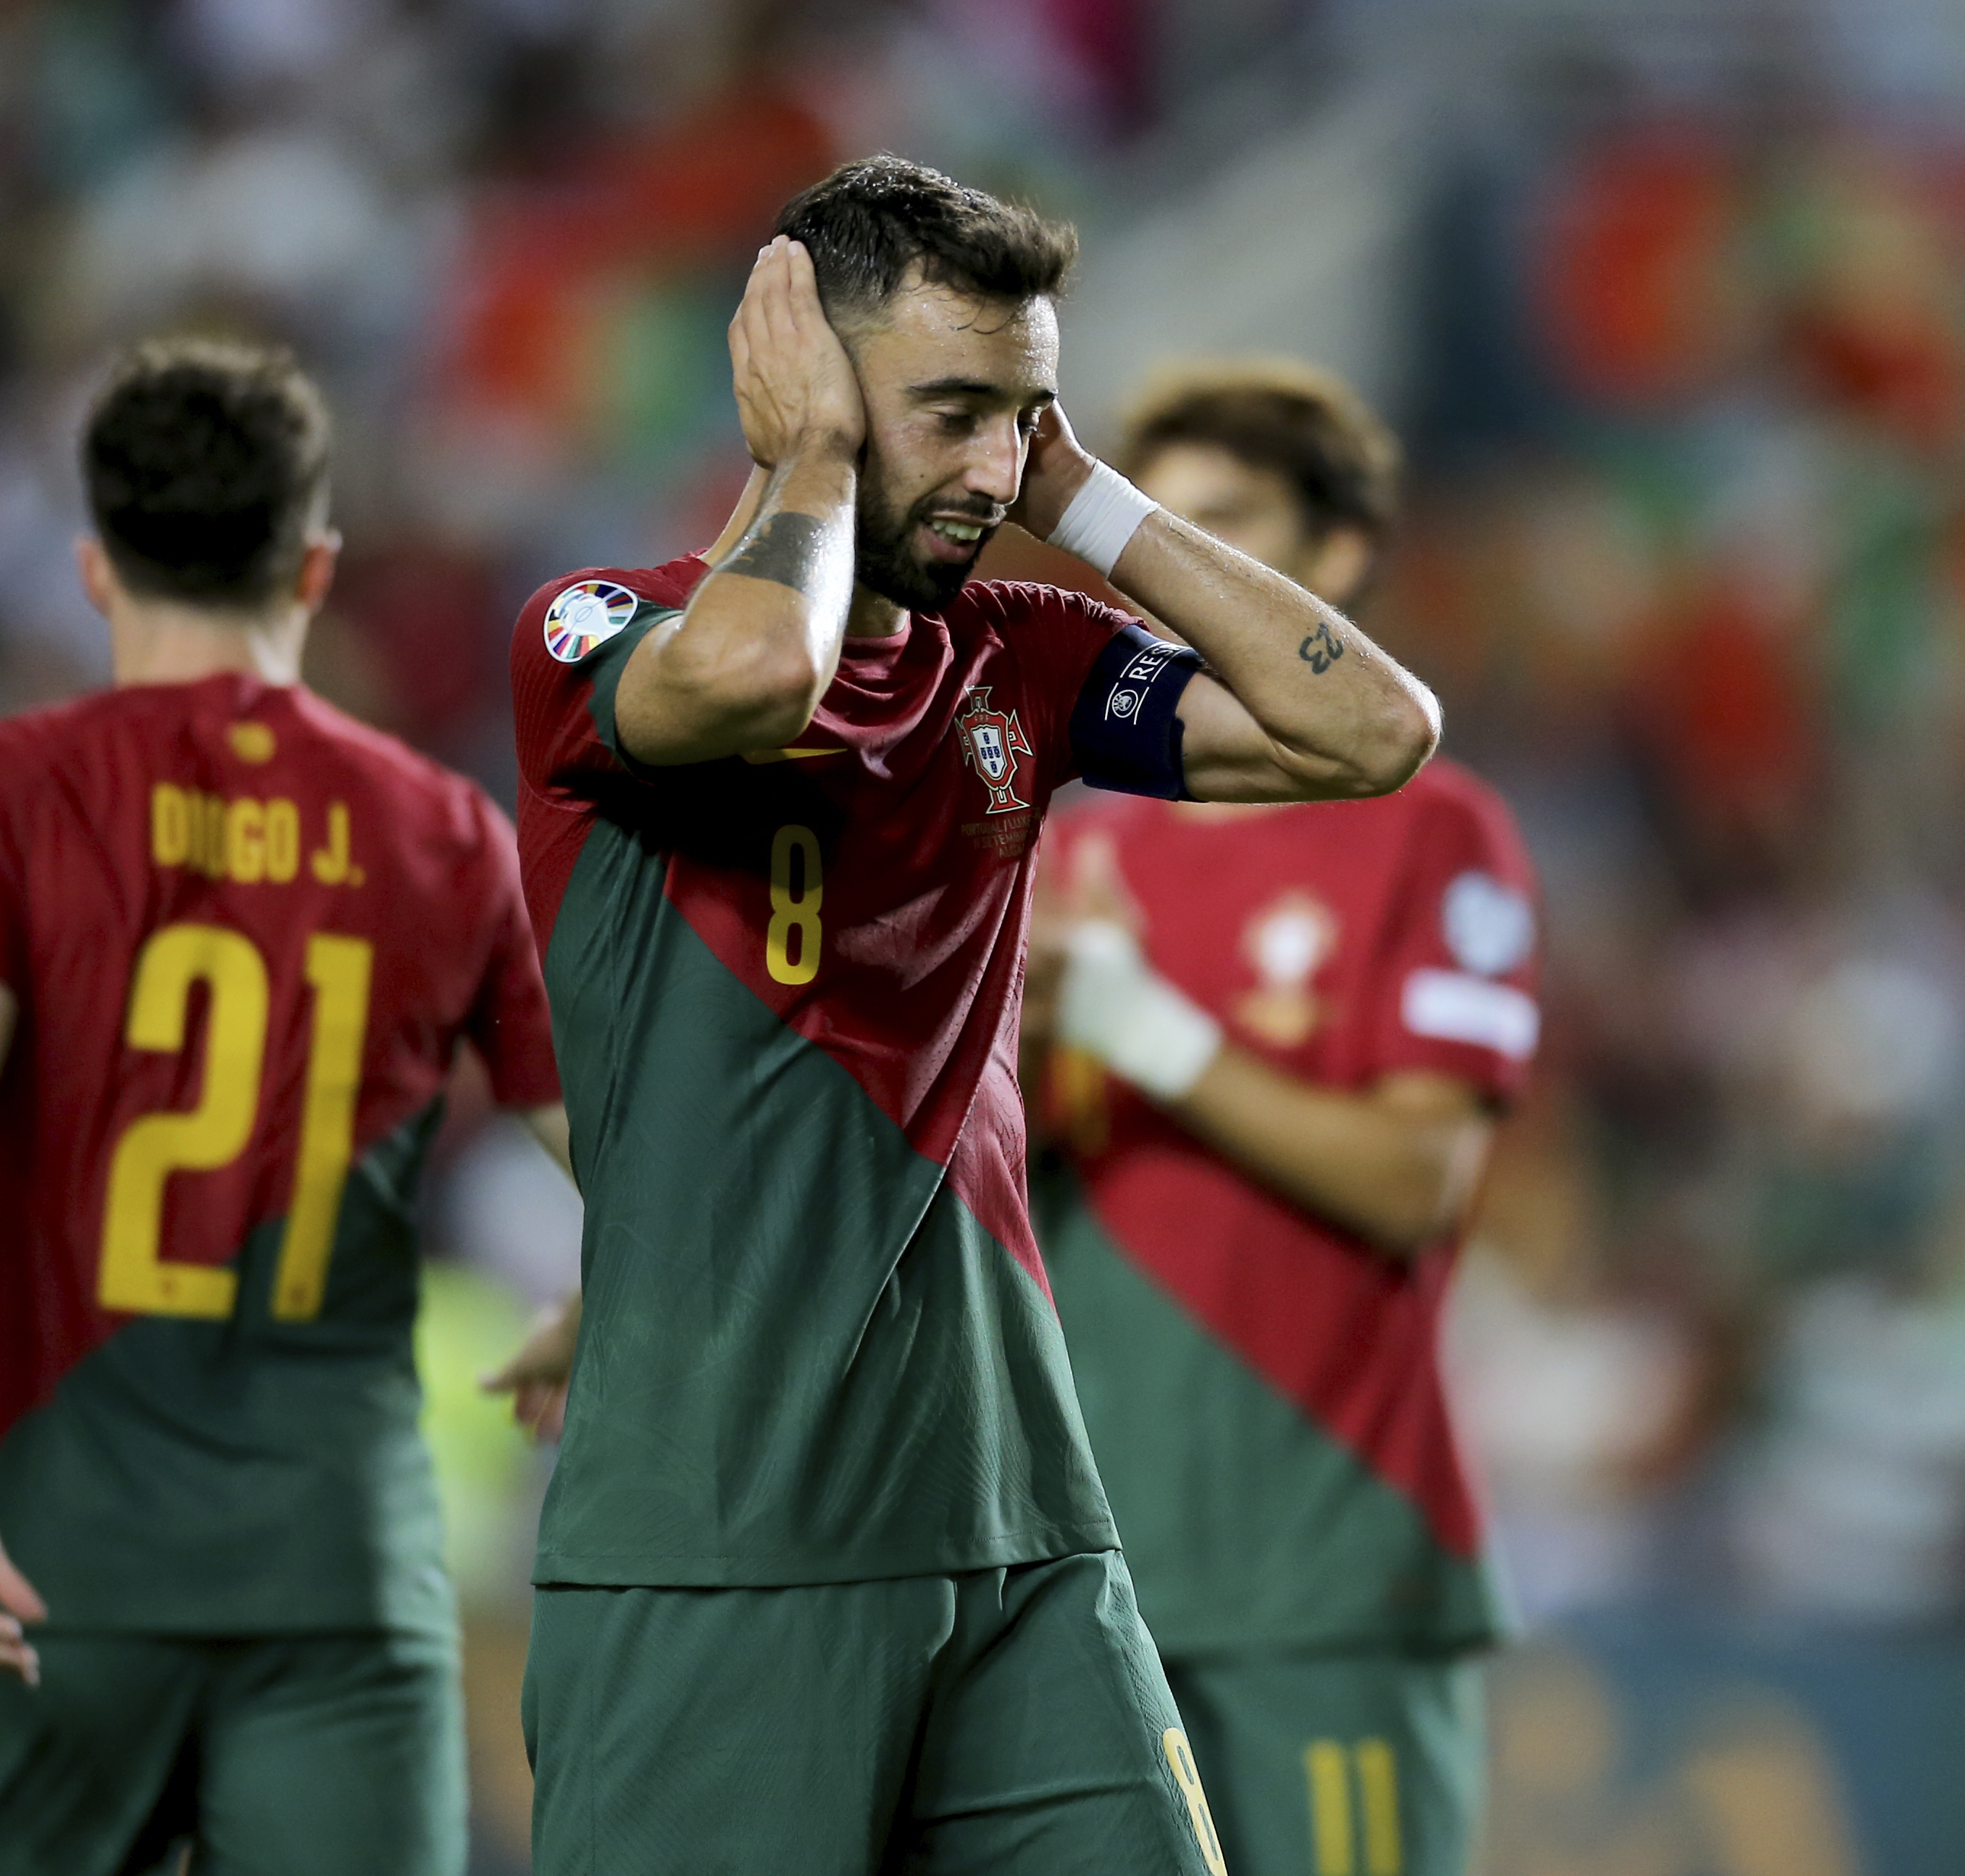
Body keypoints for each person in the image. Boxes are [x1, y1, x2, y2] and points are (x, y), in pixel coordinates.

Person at [498, 155, 1440, 1874]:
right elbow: (751, 676)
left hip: (1023, 1527)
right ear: (808, 380)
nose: (993, 467)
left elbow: (1371, 730)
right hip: (728, 1534)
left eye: (1025, 414)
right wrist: (806, 466)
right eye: (953, 412)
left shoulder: (1016, 654)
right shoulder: (596, 634)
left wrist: (1081, 495)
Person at [0, 336, 568, 1875]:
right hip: (333, 1573)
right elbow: (614, 1155)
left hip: (49, 1554)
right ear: (315, 566)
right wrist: (613, 1292)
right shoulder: (442, 828)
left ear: (93, 569)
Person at [1025, 359, 1541, 1876]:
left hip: (1321, 1562)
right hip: (1092, 1573)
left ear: (1332, 559)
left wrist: (1154, 1035)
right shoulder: (1071, 848)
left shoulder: (1432, 826)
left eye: (1229, 527)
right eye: (1156, 532)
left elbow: (1414, 1179)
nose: (1181, 579)